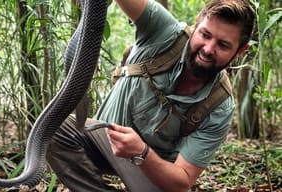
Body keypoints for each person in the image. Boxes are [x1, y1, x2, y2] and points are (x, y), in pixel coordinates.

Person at [46, 0, 256, 191]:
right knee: (52, 127)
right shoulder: (164, 32)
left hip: (151, 166)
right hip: (103, 140)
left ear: (241, 50)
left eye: (223, 45)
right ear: (197, 23)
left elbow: (182, 181)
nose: (208, 49)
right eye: (205, 35)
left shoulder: (219, 105)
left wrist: (142, 152)